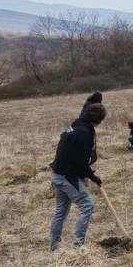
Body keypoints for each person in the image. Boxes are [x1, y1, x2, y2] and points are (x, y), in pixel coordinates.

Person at [49, 102, 105, 250]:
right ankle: (78, 246)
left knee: (61, 210)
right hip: (67, 176)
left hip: (57, 173)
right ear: (99, 120)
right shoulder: (84, 135)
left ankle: (54, 246)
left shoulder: (77, 124)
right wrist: (93, 177)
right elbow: (80, 163)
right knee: (87, 205)